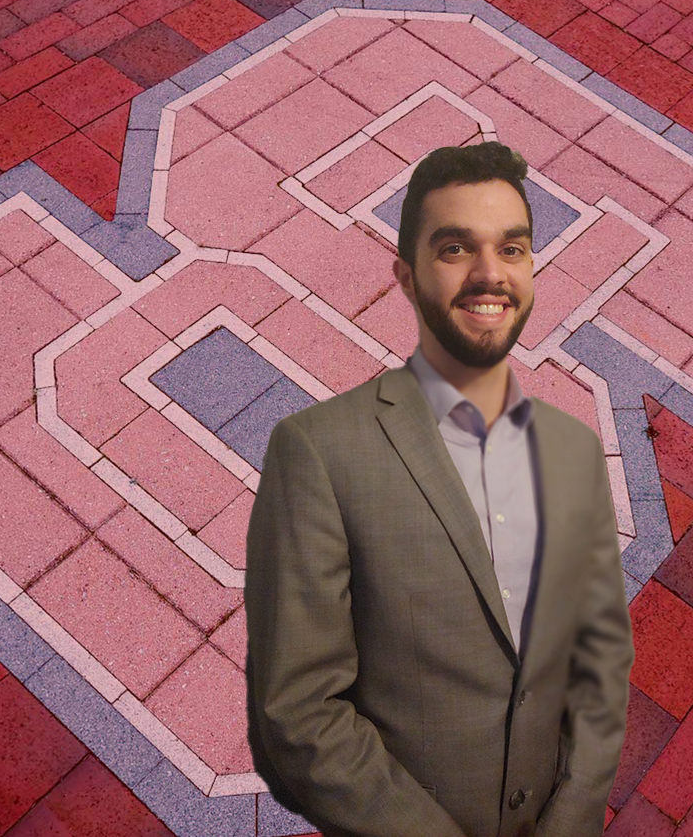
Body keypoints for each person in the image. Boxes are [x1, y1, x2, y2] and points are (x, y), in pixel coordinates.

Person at [244, 141, 634, 837]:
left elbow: (601, 663)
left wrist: (572, 820)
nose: (491, 274)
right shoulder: (318, 452)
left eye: (512, 249)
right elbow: (299, 714)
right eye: (455, 248)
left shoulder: (576, 451)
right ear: (405, 273)